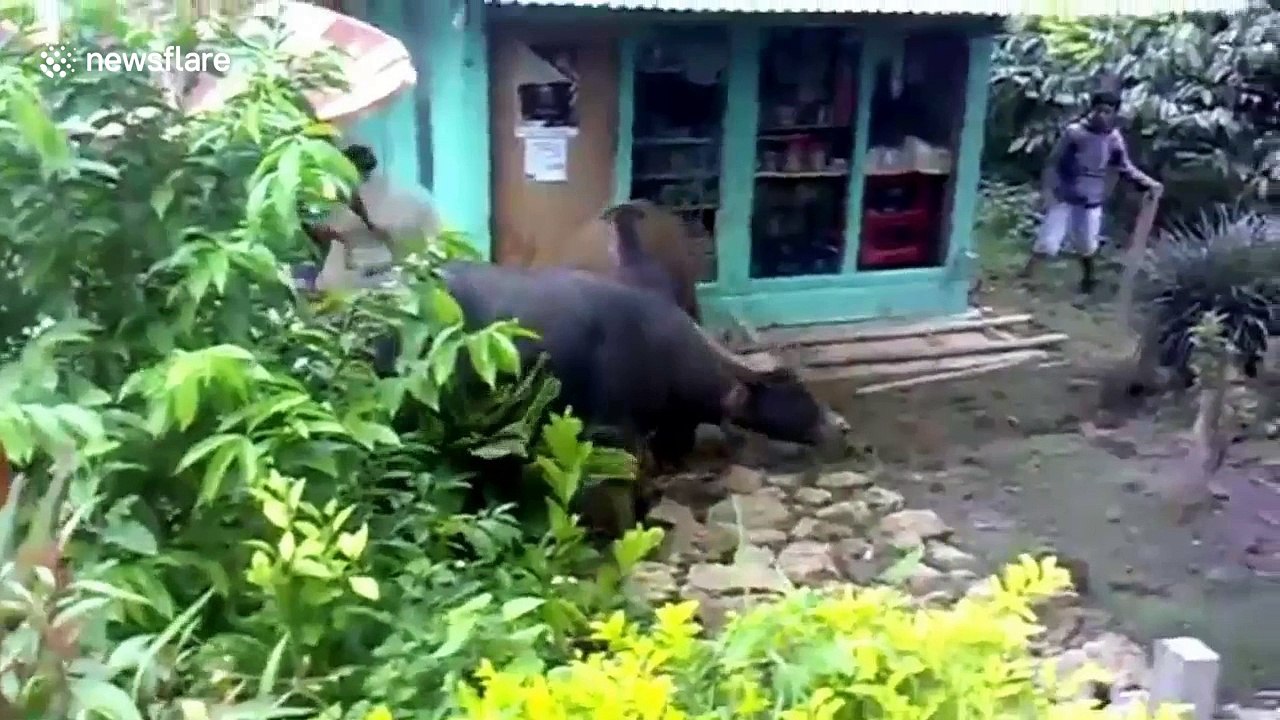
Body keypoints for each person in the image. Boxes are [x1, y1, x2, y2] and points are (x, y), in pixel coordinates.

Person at [1019, 86, 1163, 294]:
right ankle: (1027, 276)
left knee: (1087, 244)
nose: (1102, 115)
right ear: (1092, 109)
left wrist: (1149, 183)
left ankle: (1088, 281)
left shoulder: (1113, 138)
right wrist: (1048, 191)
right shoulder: (1074, 133)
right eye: (1099, 110)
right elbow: (1053, 163)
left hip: (1091, 197)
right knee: (1048, 242)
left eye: (1108, 111)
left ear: (1114, 114)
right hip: (1064, 195)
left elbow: (1124, 167)